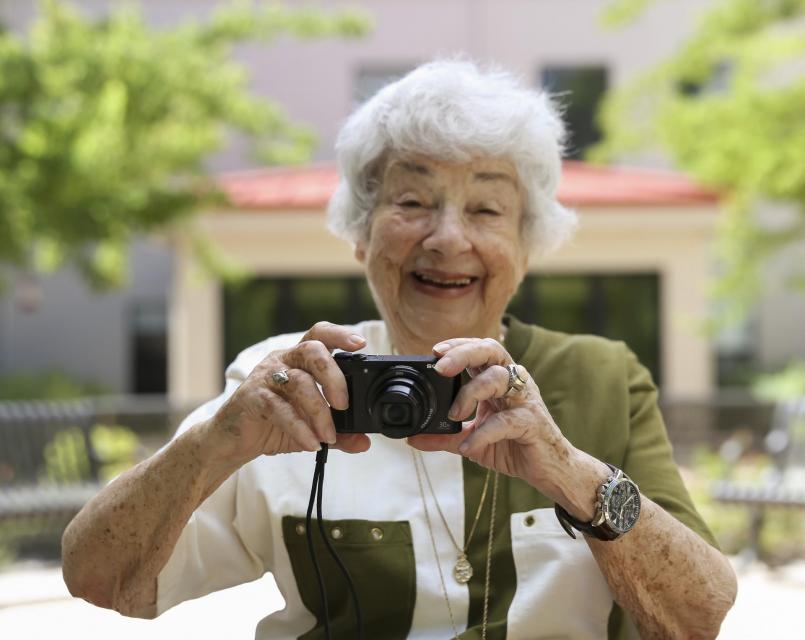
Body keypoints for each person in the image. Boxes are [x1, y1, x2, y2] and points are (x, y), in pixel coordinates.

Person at [62, 59, 737, 639]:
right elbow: (102, 580)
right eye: (411, 201)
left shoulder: (600, 377)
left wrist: (567, 470)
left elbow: (695, 615)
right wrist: (212, 443)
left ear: (525, 248)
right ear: (360, 233)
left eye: (485, 210)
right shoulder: (284, 380)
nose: (447, 238)